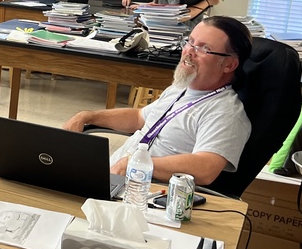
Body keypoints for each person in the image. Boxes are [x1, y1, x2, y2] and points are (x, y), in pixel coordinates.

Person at [64, 17, 252, 187]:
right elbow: (139, 118)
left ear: (229, 64)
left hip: (146, 193)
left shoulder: (225, 113)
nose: (189, 52)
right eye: (190, 42)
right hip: (114, 178)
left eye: (204, 49)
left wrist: (136, 163)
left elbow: (206, 168)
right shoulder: (181, 88)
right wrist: (87, 116)